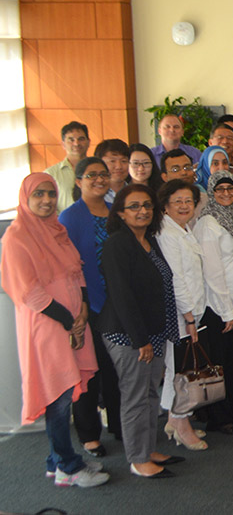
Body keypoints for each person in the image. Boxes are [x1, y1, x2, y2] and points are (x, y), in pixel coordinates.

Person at [2, 174, 107, 488]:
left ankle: (55, 460)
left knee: (63, 396)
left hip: (72, 322)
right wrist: (68, 319)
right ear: (26, 198)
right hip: (47, 328)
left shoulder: (56, 230)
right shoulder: (16, 237)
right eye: (38, 195)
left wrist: (84, 308)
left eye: (50, 193)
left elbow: (77, 271)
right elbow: (28, 291)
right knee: (58, 398)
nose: (46, 200)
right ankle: (67, 467)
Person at [99, 184, 181, 478]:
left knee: (149, 395)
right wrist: (141, 340)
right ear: (120, 212)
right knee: (135, 396)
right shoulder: (117, 244)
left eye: (147, 205)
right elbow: (122, 295)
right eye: (134, 206)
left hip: (154, 332)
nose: (142, 211)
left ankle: (147, 449)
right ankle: (137, 458)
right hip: (129, 335)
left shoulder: (149, 240)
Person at [59, 157, 122, 457]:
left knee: (117, 368)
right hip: (86, 305)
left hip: (118, 302)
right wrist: (80, 307)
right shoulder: (69, 218)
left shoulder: (115, 213)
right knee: (88, 370)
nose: (99, 179)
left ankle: (121, 424)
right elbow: (65, 268)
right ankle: (89, 435)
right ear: (78, 180)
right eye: (91, 175)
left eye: (103, 174)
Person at [195, 171, 233, 429]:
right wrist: (226, 311)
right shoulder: (208, 224)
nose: (226, 194)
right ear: (211, 192)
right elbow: (213, 273)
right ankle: (221, 418)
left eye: (230, 189)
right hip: (221, 307)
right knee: (220, 364)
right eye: (220, 190)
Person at [153, 180, 211, 451]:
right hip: (180, 315)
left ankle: (174, 419)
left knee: (180, 368)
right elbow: (175, 279)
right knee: (181, 371)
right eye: (177, 201)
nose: (184, 206)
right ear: (165, 206)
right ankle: (181, 424)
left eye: (188, 201)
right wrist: (189, 317)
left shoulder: (183, 230)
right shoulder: (166, 233)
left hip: (191, 311)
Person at [46, 121, 90, 211]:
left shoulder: (99, 169)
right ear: (63, 144)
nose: (76, 143)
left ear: (88, 142)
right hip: (64, 223)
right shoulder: (51, 174)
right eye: (71, 140)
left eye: (81, 139)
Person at [94, 138, 130, 203]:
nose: (119, 167)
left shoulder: (135, 193)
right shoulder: (94, 195)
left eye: (123, 161)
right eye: (112, 161)